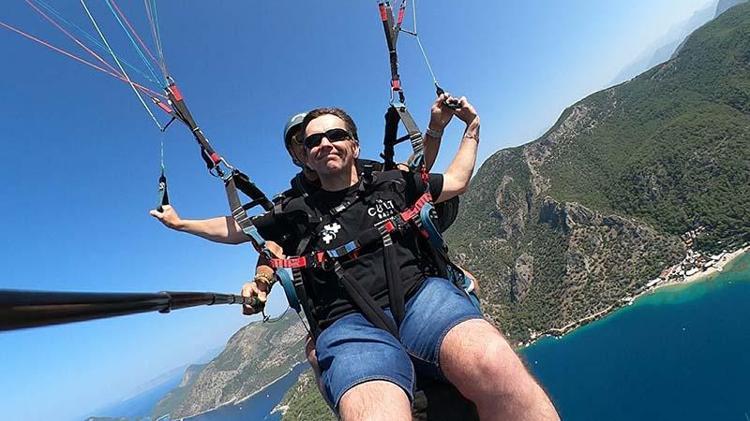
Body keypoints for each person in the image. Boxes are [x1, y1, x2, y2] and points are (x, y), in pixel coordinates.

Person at [242, 103, 559, 421]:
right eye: (305, 141)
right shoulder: (291, 207)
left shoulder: (370, 175)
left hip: (411, 291)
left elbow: (413, 175)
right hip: (348, 315)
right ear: (297, 154)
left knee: (492, 357)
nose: (320, 144)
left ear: (351, 143)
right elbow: (271, 247)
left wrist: (437, 130)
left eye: (332, 135)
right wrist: (262, 283)